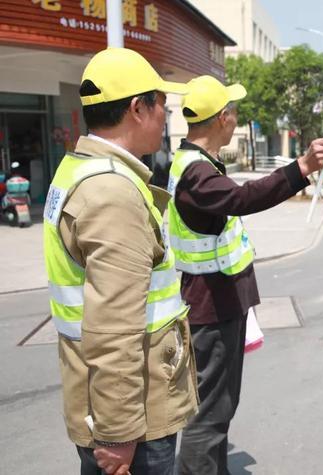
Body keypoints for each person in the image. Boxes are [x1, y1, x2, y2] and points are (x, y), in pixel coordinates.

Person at [168, 75, 323, 474]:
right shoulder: (197, 173)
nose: (236, 118)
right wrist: (303, 166)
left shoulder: (193, 163)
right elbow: (242, 198)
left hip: (214, 300)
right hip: (210, 308)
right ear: (223, 118)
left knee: (218, 407)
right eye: (234, 112)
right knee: (209, 412)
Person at [42, 48, 197, 475]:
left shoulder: (79, 169)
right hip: (135, 416)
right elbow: (113, 327)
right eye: (162, 103)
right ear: (137, 108)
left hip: (104, 397)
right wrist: (117, 433)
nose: (167, 114)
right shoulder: (112, 192)